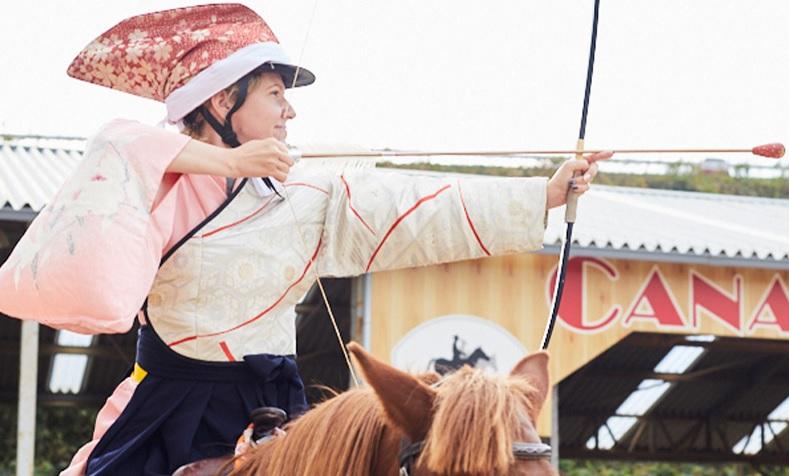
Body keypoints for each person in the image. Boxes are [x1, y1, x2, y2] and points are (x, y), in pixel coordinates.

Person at [0, 4, 609, 475]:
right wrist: (229, 167)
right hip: (171, 408)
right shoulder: (150, 183)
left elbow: (408, 207)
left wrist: (544, 195)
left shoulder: (303, 194)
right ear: (220, 99)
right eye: (274, 94)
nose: (289, 112)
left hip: (279, 412)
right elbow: (118, 145)